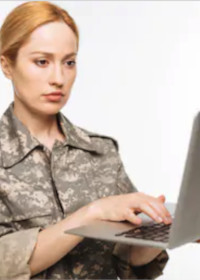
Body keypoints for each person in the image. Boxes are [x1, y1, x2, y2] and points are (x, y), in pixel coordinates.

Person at [0, 1, 172, 279]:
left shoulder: (101, 151)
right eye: (41, 61)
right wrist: (90, 214)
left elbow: (126, 261)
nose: (58, 78)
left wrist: (164, 232)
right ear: (7, 65)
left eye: (69, 62)